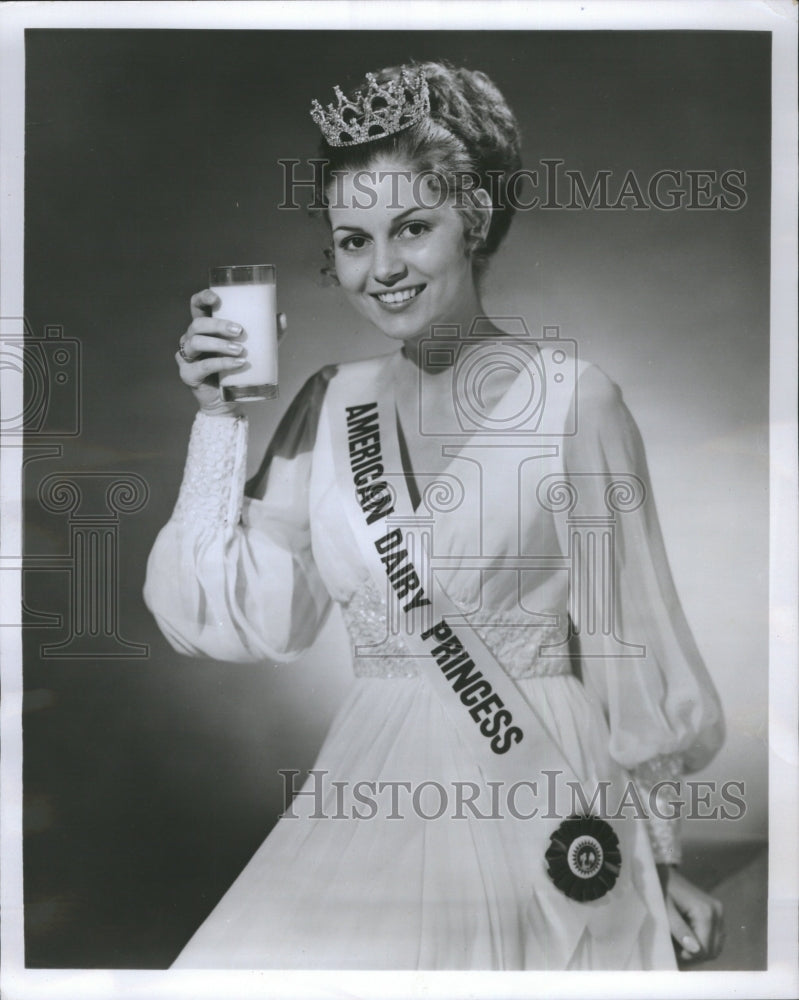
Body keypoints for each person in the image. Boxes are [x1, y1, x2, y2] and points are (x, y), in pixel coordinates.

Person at [144, 61, 725, 970]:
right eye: (352, 239)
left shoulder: (574, 401)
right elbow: (245, 614)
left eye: (412, 228)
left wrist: (658, 858)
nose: (381, 269)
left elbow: (626, 640)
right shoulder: (329, 403)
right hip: (368, 779)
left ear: (474, 223)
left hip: (541, 790)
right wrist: (217, 416)